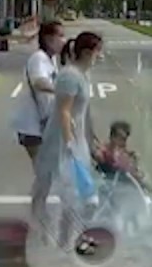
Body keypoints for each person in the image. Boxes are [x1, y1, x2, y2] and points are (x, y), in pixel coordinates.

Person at [31, 31, 105, 255]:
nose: (100, 57)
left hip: (76, 141)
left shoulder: (82, 75)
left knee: (79, 196)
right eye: (98, 52)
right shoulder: (69, 76)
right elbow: (63, 111)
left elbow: (83, 113)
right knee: (66, 193)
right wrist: (70, 144)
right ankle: (55, 239)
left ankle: (70, 239)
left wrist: (92, 141)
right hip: (62, 143)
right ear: (86, 52)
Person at [13, 21, 65, 164]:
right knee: (44, 171)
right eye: (60, 36)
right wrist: (61, 90)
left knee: (48, 171)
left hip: (43, 124)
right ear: (48, 39)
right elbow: (39, 82)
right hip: (31, 127)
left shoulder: (51, 59)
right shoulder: (38, 58)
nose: (63, 40)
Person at [94, 120, 149, 190]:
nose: (124, 143)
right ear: (112, 137)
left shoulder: (123, 151)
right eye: (121, 139)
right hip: (111, 187)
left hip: (126, 186)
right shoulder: (103, 153)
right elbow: (99, 156)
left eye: (125, 139)